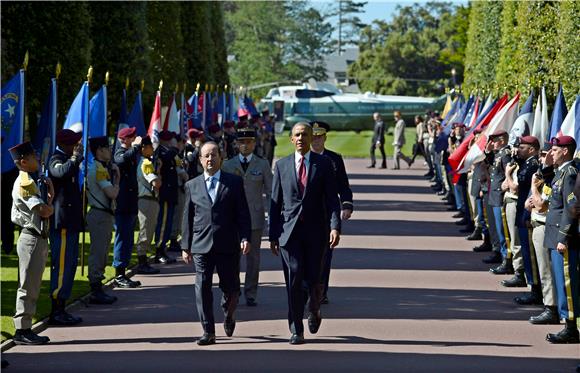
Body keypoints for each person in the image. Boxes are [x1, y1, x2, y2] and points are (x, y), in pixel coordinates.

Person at [269, 122, 341, 345]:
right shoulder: (281, 166)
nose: (301, 138)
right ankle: (296, 329)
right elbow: (275, 203)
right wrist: (272, 234)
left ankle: (314, 308)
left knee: (313, 279)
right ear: (291, 139)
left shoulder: (324, 164)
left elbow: (332, 200)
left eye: (305, 135)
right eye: (297, 135)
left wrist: (335, 226)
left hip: (316, 233)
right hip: (289, 234)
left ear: (311, 138)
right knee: (293, 278)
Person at [181, 142, 251, 346]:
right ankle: (208, 330)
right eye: (206, 156)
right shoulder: (192, 185)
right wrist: (186, 245)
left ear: (220, 158)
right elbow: (187, 217)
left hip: (228, 244)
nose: (210, 159)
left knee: (231, 288)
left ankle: (229, 313)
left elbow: (243, 214)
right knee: (202, 286)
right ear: (201, 160)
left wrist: (245, 237)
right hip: (201, 244)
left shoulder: (234, 182)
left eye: (213, 155)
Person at [222, 127, 272, 307]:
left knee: (253, 258)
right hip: (232, 219)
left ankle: (251, 293)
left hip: (254, 217)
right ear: (236, 144)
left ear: (254, 143)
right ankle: (232, 290)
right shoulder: (227, 165)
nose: (245, 145)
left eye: (249, 142)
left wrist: (273, 216)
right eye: (241, 142)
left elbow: (271, 191)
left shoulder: (262, 164)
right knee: (231, 257)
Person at [9, 141, 53, 344]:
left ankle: (25, 328)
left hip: (37, 238)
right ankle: (22, 330)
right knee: (27, 286)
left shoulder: (31, 180)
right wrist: (50, 205)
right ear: (24, 162)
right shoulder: (24, 182)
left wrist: (49, 199)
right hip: (31, 238)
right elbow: (42, 211)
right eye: (34, 157)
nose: (38, 159)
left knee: (33, 285)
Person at [310, 121, 353, 304]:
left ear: (325, 138)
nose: (316, 140)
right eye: (313, 137)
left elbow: (343, 184)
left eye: (319, 137)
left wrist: (347, 204)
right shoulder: (302, 158)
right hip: (307, 213)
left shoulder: (334, 159)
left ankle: (321, 290)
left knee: (324, 255)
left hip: (328, 212)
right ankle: (307, 287)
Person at [544, 135, 579, 344]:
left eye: (555, 150)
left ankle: (571, 327)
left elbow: (571, 208)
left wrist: (564, 236)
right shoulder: (561, 171)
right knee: (559, 281)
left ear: (565, 150)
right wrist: (548, 164)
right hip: (554, 234)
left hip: (562, 237)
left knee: (567, 283)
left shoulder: (570, 173)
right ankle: (568, 323)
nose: (551, 153)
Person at [47, 129, 84, 326]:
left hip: (71, 222)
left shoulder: (69, 159)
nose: (76, 147)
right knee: (61, 266)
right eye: (73, 144)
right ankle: (56, 309)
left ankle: (62, 305)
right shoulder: (56, 158)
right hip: (61, 222)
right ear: (66, 144)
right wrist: (76, 158)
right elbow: (60, 172)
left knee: (69, 265)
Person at [86, 136, 120, 304]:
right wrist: (118, 180)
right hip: (99, 214)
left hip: (104, 214)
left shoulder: (102, 167)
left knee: (103, 252)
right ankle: (95, 289)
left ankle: (97, 287)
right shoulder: (98, 169)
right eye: (107, 147)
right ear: (99, 151)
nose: (110, 150)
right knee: (98, 253)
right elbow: (112, 193)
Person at [113, 126, 142, 288]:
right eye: (131, 136)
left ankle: (123, 272)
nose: (134, 138)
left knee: (128, 239)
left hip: (130, 203)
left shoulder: (130, 153)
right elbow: (120, 160)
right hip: (122, 204)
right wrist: (136, 147)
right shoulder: (119, 152)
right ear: (123, 139)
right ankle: (119, 273)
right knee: (122, 238)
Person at [483, 131, 513, 273]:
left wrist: (505, 186)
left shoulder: (506, 154)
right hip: (494, 196)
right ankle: (503, 257)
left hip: (500, 196)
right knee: (498, 229)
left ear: (501, 140)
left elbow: (509, 173)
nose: (491, 143)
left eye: (493, 140)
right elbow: (493, 167)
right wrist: (488, 152)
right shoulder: (499, 153)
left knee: (503, 232)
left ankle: (507, 261)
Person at [153, 130, 184, 264]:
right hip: (165, 194)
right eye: (171, 139)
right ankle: (159, 250)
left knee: (169, 223)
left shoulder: (170, 153)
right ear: (166, 140)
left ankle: (163, 249)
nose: (174, 141)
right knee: (163, 224)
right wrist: (175, 149)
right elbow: (164, 159)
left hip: (171, 194)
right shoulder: (161, 152)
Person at [135, 135, 161, 275]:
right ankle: (142, 262)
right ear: (143, 148)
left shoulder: (146, 161)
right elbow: (156, 182)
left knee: (148, 230)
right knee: (146, 231)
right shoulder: (146, 163)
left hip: (148, 200)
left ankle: (143, 260)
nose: (152, 149)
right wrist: (158, 176)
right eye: (150, 146)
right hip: (146, 200)